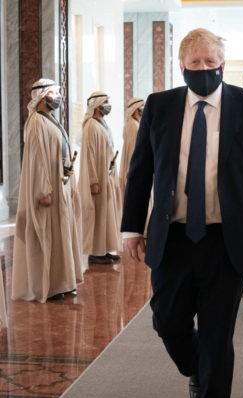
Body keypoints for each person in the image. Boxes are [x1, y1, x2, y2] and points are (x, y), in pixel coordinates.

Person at [121, 28, 243, 398]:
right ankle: (198, 369)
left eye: (210, 62)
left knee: (218, 334)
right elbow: (140, 172)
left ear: (223, 63)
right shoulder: (159, 106)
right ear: (182, 66)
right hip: (173, 238)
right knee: (167, 322)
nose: (203, 69)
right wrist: (129, 229)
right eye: (194, 63)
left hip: (226, 239)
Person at [12, 78, 83, 302]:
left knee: (60, 235)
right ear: (43, 97)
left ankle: (60, 282)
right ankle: (47, 285)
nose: (58, 99)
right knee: (46, 236)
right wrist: (43, 189)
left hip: (59, 185)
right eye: (54, 95)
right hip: (47, 192)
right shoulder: (36, 123)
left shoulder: (49, 119)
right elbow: (37, 160)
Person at [78, 91, 121, 265]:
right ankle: (95, 252)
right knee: (97, 215)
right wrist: (93, 180)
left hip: (107, 175)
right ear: (97, 105)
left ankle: (104, 249)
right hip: (98, 179)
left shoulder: (102, 123)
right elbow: (89, 155)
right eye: (105, 102)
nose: (108, 106)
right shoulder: (91, 126)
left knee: (106, 214)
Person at [119, 97, 144, 205]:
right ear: (135, 109)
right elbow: (133, 149)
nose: (144, 108)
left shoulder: (136, 123)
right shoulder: (132, 125)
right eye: (141, 106)